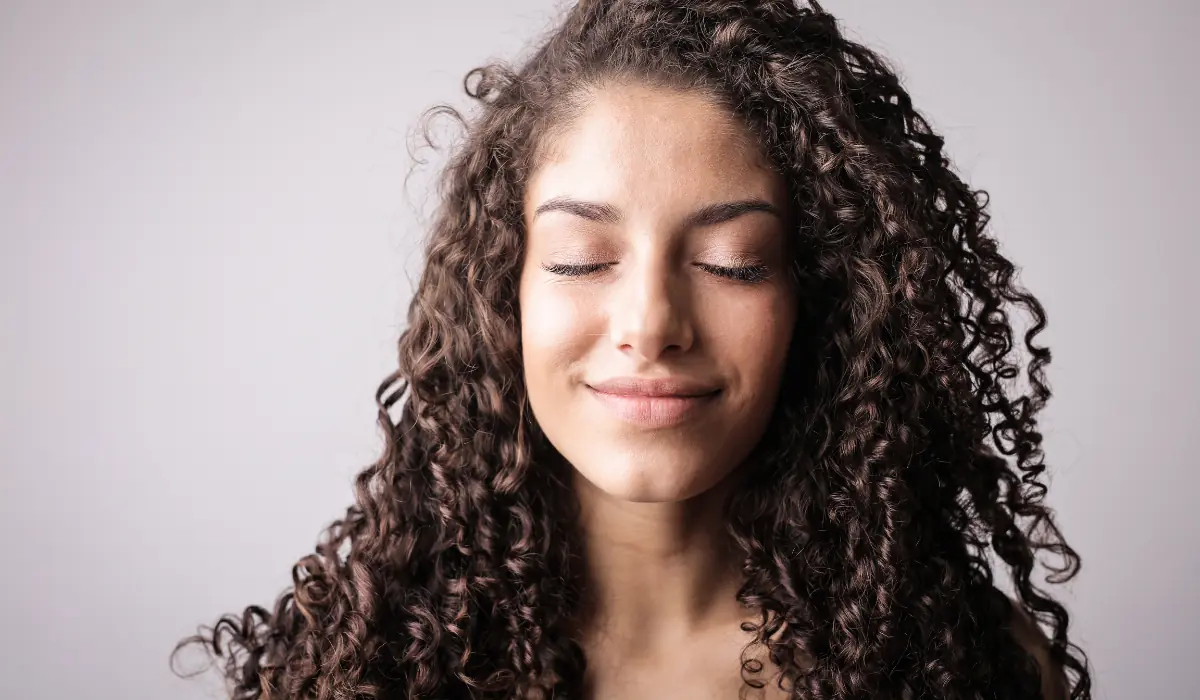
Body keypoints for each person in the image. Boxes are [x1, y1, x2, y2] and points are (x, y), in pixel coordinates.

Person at [173, 1, 1093, 698]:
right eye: (582, 259)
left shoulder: (968, 668)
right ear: (504, 296)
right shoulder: (362, 667)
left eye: (732, 264)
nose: (650, 323)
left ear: (820, 300)